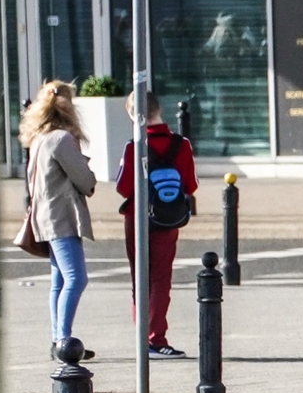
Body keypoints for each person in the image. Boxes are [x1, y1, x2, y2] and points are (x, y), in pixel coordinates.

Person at [113, 91, 196, 359]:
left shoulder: (133, 146)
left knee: (140, 277)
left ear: (132, 115)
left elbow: (124, 187)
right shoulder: (181, 145)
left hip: (137, 217)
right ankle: (156, 338)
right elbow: (191, 184)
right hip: (167, 217)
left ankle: (142, 337)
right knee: (161, 279)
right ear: (160, 109)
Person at [21, 81, 96, 346]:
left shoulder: (38, 138)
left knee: (59, 279)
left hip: (44, 215)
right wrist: (89, 175)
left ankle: (57, 337)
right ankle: (63, 340)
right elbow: (85, 180)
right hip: (61, 216)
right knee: (76, 278)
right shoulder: (62, 139)